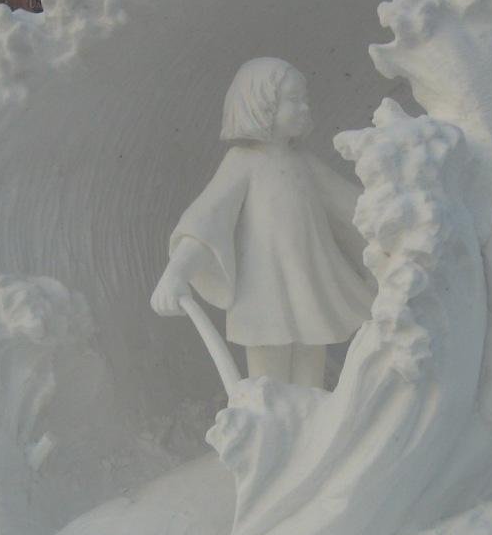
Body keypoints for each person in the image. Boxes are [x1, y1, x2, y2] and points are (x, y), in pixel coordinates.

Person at [150, 58, 373, 388]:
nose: (304, 108)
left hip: (310, 284)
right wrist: (177, 272)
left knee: (310, 378)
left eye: (304, 99)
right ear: (261, 106)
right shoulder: (242, 162)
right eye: (294, 100)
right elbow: (208, 219)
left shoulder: (303, 163)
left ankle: (308, 419)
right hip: (265, 292)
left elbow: (352, 206)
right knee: (269, 383)